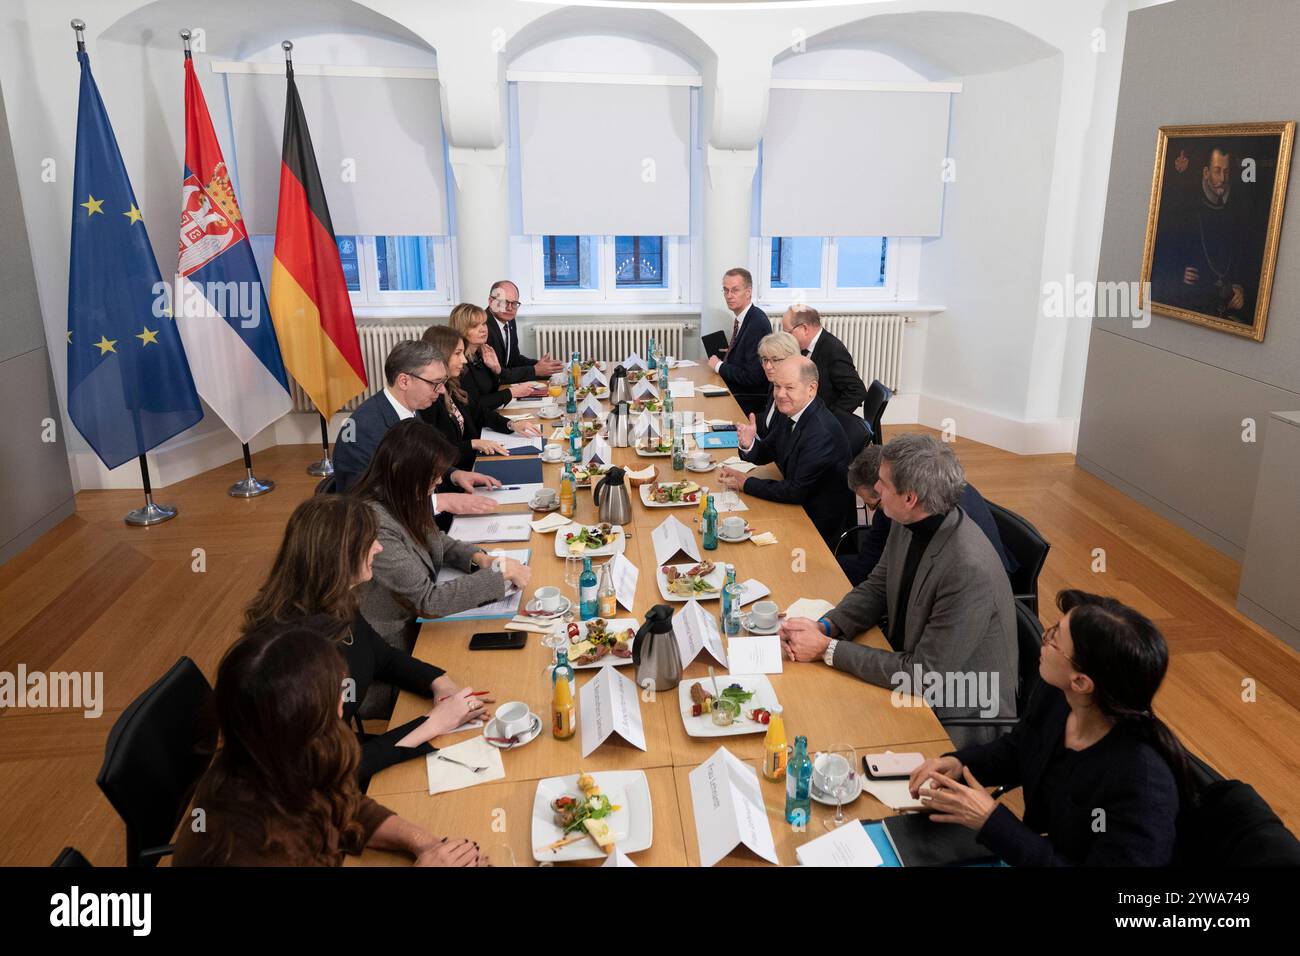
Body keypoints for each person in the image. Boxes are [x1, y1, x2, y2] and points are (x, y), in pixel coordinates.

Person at [909, 590, 1194, 866]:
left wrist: (993, 822)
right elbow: (1018, 749)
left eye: (1054, 638)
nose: (1043, 639)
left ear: (1081, 682)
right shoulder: (1058, 696)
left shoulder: (1141, 785)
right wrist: (959, 763)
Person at [173, 622, 486, 867]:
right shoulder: (246, 850)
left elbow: (346, 804)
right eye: (337, 694)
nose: (344, 703)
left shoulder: (277, 752)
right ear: (308, 720)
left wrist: (426, 844)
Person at [779, 433, 1017, 748]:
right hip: (912, 664)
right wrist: (825, 625)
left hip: (960, 708)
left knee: (831, 727)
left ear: (910, 498)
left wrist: (826, 649)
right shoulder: (909, 520)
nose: (875, 489)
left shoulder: (967, 569)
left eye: (883, 482)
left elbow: (925, 675)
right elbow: (877, 586)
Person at [241, 495, 489, 784]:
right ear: (340, 554)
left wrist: (439, 682)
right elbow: (324, 771)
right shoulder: (296, 657)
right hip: (314, 787)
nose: (380, 547)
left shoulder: (333, 599)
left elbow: (381, 655)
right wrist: (433, 724)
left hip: (344, 753)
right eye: (370, 541)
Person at [353, 419, 531, 650]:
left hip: (422, 621)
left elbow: (435, 538)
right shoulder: (376, 525)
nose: (439, 481)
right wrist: (499, 573)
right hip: (398, 640)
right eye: (433, 475)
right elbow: (428, 601)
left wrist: (479, 558)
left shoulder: (400, 494)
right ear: (406, 472)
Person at [330, 340, 500, 518]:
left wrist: (453, 475)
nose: (442, 390)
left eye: (443, 382)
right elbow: (365, 502)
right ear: (404, 381)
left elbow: (418, 464)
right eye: (435, 383)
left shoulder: (409, 410)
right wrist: (440, 502)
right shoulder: (363, 429)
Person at [717, 357, 852, 548]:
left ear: (811, 389)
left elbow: (795, 491)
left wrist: (746, 483)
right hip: (794, 505)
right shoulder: (791, 411)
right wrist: (749, 444)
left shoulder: (821, 434)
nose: (780, 394)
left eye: (789, 388)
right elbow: (769, 450)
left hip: (815, 524)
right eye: (776, 386)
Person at [839, 442, 1016, 586]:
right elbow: (874, 570)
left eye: (874, 502)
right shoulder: (906, 504)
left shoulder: (959, 553)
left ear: (909, 498)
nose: (873, 511)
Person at [419, 323, 540, 471]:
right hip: (459, 472)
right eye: (457, 354)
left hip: (473, 459)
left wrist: (511, 425)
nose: (464, 360)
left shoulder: (451, 384)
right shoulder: (429, 399)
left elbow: (478, 412)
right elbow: (439, 451)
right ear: (440, 355)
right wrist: (473, 444)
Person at [448, 302, 543, 413]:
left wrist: (496, 369)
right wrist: (512, 392)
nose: (483, 329)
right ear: (462, 330)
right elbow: (475, 405)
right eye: (475, 326)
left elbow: (493, 389)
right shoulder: (460, 363)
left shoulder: (481, 353)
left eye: (483, 324)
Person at [780, 305, 868, 415]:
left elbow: (857, 391)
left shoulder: (833, 351)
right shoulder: (802, 348)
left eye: (788, 333)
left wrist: (829, 418)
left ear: (804, 328)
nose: (787, 338)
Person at [707, 267, 772, 416]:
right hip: (734, 390)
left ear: (748, 292)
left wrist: (719, 365)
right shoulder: (744, 317)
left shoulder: (757, 324)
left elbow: (754, 377)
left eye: (735, 290)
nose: (729, 296)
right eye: (725, 290)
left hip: (745, 399)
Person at [484, 280, 565, 384]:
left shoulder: (509, 320)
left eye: (514, 303)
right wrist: (535, 370)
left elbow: (514, 360)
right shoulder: (482, 327)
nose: (510, 308)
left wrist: (543, 366)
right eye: (504, 302)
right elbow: (498, 373)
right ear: (491, 302)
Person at [753, 331, 801, 440]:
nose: (768, 366)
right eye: (765, 360)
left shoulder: (793, 398)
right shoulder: (774, 385)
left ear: (792, 360)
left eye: (775, 360)